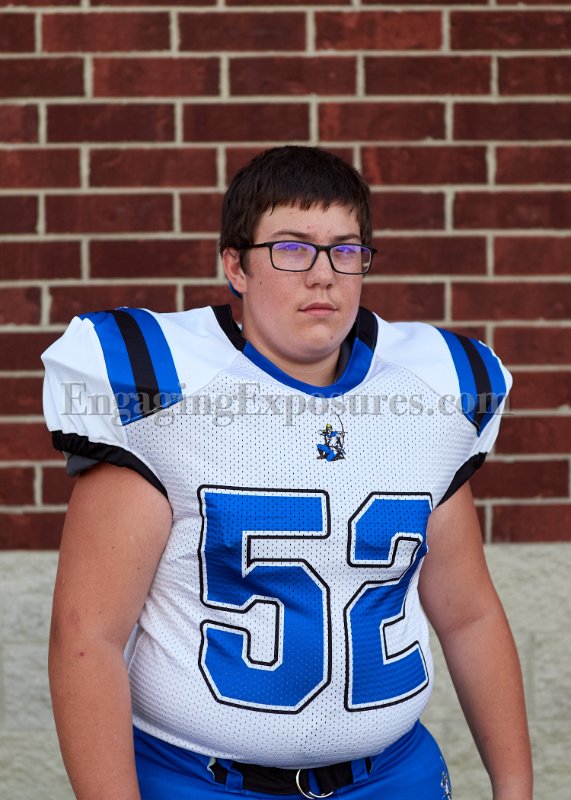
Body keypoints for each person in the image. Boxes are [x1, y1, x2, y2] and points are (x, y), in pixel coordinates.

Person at [43, 145, 532, 800]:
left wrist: (515, 788)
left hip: (390, 777)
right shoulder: (159, 392)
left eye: (345, 250)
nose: (323, 275)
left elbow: (467, 614)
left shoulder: (433, 393)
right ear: (235, 266)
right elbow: (88, 637)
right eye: (292, 249)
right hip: (199, 782)